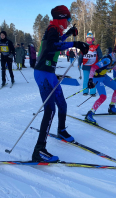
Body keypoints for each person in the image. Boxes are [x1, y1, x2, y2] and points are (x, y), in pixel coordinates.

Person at [32, 5, 89, 162]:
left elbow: (57, 43)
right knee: (49, 110)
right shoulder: (52, 29)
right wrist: (75, 43)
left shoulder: (56, 31)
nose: (69, 22)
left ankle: (61, 130)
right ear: (61, 18)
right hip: (43, 73)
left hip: (49, 73)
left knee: (62, 104)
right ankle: (39, 150)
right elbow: (52, 46)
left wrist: (69, 35)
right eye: (68, 20)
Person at [84, 44, 116, 124]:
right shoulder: (107, 59)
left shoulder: (114, 58)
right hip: (97, 78)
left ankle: (112, 107)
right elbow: (93, 68)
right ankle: (90, 114)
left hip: (104, 76)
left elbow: (112, 66)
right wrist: (90, 80)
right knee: (103, 97)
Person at [78, 31, 102, 96]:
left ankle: (92, 92)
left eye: (90, 38)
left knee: (93, 79)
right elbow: (81, 56)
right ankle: (85, 91)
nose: (89, 40)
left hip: (94, 66)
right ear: (86, 39)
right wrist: (79, 64)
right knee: (86, 79)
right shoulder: (83, 46)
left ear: (92, 39)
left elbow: (100, 55)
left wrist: (100, 62)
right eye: (88, 38)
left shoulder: (96, 46)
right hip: (85, 66)